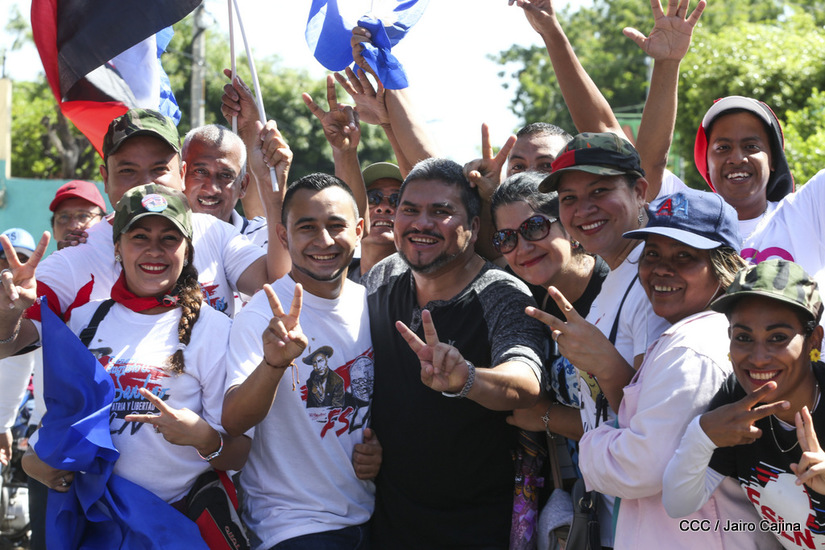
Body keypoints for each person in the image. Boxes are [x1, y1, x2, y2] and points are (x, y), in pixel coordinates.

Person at [2, 185, 249, 546]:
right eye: (139, 237)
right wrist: (33, 462)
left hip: (177, 528)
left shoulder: (217, 331)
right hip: (97, 527)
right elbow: (56, 421)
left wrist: (204, 438)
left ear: (187, 250)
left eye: (169, 238)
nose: (154, 250)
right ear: (117, 247)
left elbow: (240, 452)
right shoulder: (83, 321)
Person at [571, 188, 777, 549]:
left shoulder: (693, 347)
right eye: (652, 254)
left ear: (723, 267)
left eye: (684, 256)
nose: (661, 269)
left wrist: (592, 442)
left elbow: (639, 468)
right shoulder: (700, 332)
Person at [362, 158, 546, 548]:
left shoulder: (503, 294)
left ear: (474, 227)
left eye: (440, 212)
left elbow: (526, 382)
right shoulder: (381, 277)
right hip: (385, 525)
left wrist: (468, 379)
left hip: (475, 529)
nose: (421, 223)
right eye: (409, 209)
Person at [222, 173, 379, 550]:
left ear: (359, 230)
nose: (323, 240)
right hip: (292, 528)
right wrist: (273, 365)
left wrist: (379, 450)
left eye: (336, 225)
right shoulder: (262, 317)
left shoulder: (371, 303)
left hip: (371, 518)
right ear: (282, 235)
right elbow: (233, 421)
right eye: (307, 227)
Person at [28, 108, 288, 322]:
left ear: (182, 174)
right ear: (105, 179)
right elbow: (19, 332)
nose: (145, 183)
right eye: (128, 171)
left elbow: (279, 284)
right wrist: (11, 309)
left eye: (159, 169)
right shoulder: (77, 255)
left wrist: (273, 193)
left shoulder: (215, 233)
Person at [536, 132, 671, 547]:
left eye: (600, 191)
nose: (583, 209)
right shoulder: (616, 277)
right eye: (569, 198)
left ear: (640, 191)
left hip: (662, 523)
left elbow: (661, 429)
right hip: (618, 518)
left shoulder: (657, 279)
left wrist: (607, 367)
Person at [664, 259, 825, 549]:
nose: (758, 358)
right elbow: (679, 504)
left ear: (814, 340)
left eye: (778, 338)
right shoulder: (738, 398)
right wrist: (701, 435)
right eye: (744, 338)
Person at [490, 172, 607, 441]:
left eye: (534, 227)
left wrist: (548, 416)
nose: (523, 248)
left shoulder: (618, 288)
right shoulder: (522, 294)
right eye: (506, 238)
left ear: (567, 223)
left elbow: (642, 421)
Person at [348, 162, 402, 283]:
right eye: (373, 198)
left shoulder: (422, 280)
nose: (383, 207)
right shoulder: (334, 278)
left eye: (397, 200)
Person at [49, 180, 107, 250]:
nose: (73, 226)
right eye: (64, 217)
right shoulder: (50, 258)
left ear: (105, 224)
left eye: (84, 216)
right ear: (54, 230)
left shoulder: (117, 255)